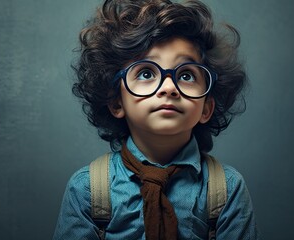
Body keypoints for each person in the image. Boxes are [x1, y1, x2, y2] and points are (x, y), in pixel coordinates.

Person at [53, 0, 258, 239]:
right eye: (146, 73)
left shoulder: (227, 189)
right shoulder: (86, 189)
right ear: (116, 102)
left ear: (206, 108)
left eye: (186, 75)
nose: (170, 87)